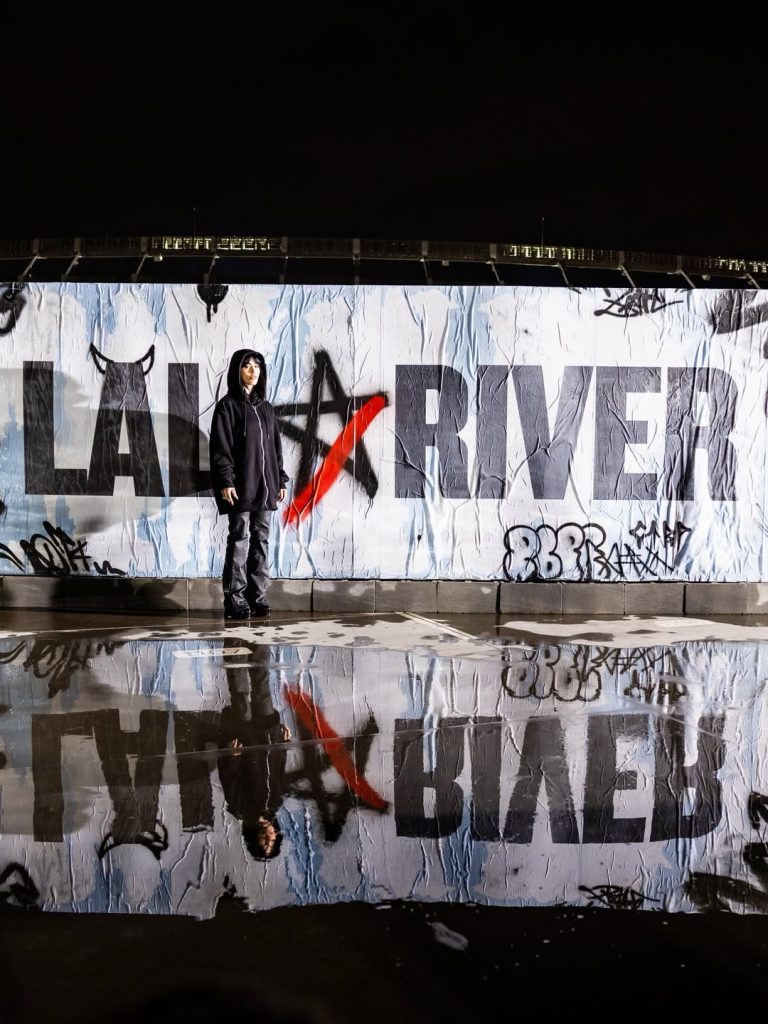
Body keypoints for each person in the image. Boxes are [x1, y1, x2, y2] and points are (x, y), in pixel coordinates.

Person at [210, 349, 288, 619]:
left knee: (262, 541)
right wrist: (225, 480)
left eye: (257, 366)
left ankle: (258, 597)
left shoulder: (266, 408)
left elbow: (275, 449)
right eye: (247, 366)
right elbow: (221, 449)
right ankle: (235, 599)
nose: (253, 371)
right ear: (237, 370)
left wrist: (281, 479)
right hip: (241, 487)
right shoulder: (227, 406)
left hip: (266, 488)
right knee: (240, 539)